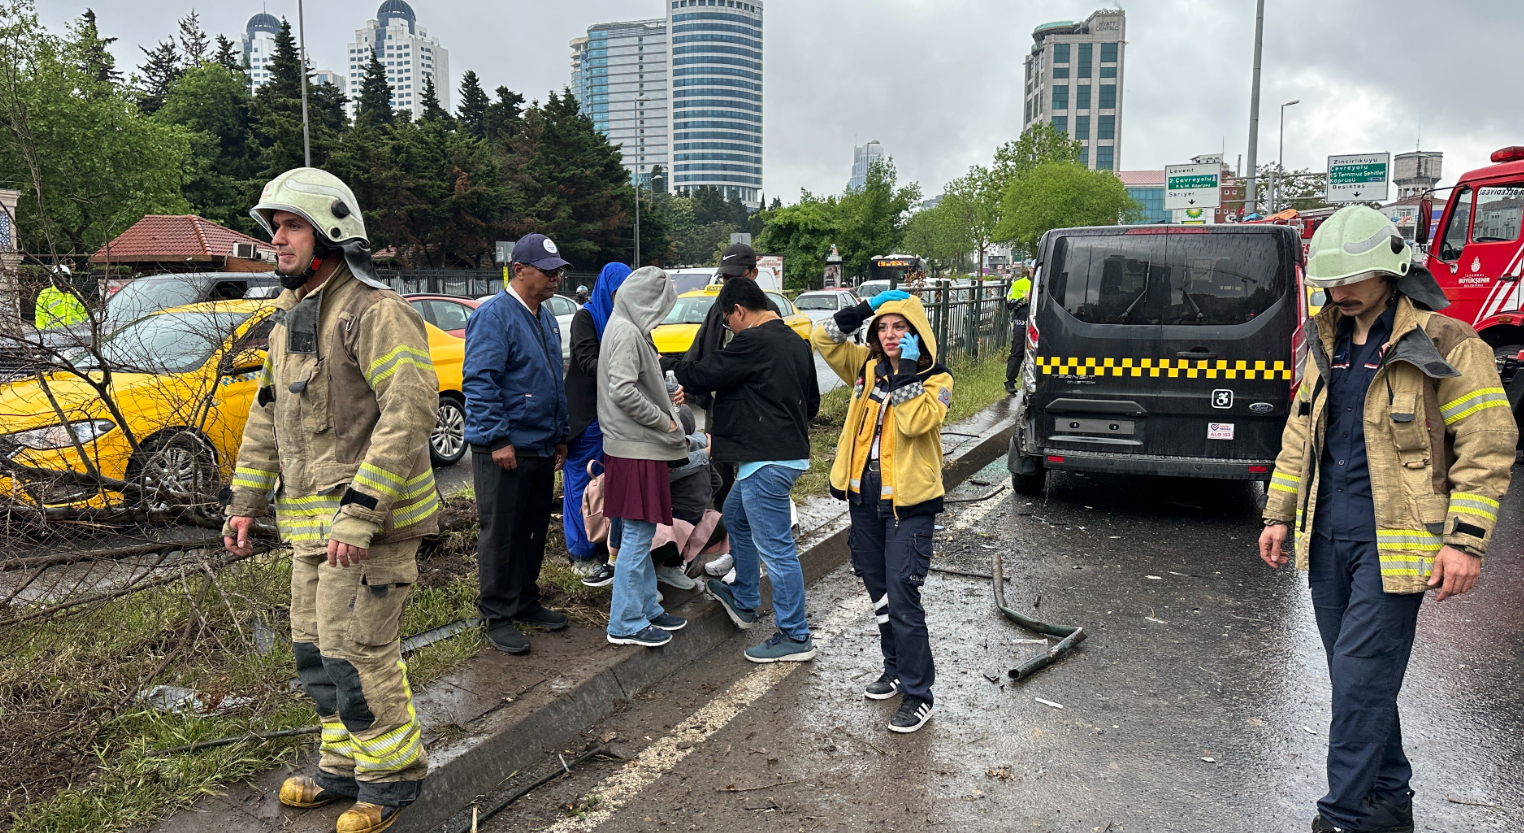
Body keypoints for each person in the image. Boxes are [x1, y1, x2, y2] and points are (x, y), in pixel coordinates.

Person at [1257, 205, 1515, 833]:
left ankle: (1342, 816)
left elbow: (1487, 445)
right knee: (1358, 680)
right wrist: (1277, 513)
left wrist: (1466, 542)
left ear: (1391, 271)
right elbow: (1300, 437)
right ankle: (1389, 799)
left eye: (1353, 279)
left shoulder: (1449, 344)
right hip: (1327, 539)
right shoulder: (1325, 344)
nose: (1339, 292)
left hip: (1395, 544)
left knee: (1357, 682)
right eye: (1331, 281)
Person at [223, 167, 438, 832]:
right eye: (274, 228)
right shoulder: (291, 320)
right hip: (311, 535)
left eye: (290, 226)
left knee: (358, 654)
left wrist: (361, 510)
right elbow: (267, 419)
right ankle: (341, 768)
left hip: (368, 530)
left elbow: (409, 410)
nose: (276, 241)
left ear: (331, 234)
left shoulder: (376, 313)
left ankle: (393, 779)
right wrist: (244, 500)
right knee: (315, 654)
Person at [813, 288, 953, 734]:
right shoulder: (867, 368)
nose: (891, 335)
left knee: (903, 593)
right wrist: (869, 307)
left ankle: (918, 693)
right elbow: (824, 338)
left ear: (916, 333)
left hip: (909, 506)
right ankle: (893, 668)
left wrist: (907, 369)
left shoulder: (937, 380)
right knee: (879, 593)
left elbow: (915, 423)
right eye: (884, 328)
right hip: (863, 500)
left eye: (900, 327)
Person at [665, 278, 820, 663]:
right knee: (735, 515)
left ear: (738, 310)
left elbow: (702, 374)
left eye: (726, 321)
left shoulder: (753, 340)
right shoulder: (795, 343)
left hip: (768, 460)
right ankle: (746, 597)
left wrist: (663, 366)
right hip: (780, 455)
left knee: (778, 550)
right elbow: (812, 403)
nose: (728, 329)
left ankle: (795, 634)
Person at [464, 234, 571, 655]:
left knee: (533, 528)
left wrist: (560, 433)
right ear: (519, 270)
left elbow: (552, 380)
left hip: (541, 444)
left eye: (557, 272)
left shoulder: (543, 316)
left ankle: (525, 599)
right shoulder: (494, 315)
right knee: (502, 532)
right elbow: (480, 381)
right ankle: (496, 612)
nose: (555, 279)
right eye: (547, 272)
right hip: (506, 447)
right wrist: (497, 439)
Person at [597, 265, 691, 647]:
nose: (661, 313)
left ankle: (646, 608)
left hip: (634, 445)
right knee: (637, 535)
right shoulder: (626, 332)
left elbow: (632, 385)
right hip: (636, 446)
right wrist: (664, 421)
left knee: (641, 532)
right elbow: (622, 390)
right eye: (660, 305)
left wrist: (665, 400)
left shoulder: (626, 326)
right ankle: (624, 622)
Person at [681, 242, 781, 507]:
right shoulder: (718, 306)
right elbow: (700, 345)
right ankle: (723, 529)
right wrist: (685, 384)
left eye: (736, 277)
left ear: (753, 274)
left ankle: (755, 525)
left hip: (752, 404)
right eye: (725, 277)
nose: (729, 283)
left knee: (753, 470)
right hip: (718, 401)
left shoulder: (768, 310)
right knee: (719, 468)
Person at [564, 263, 632, 588]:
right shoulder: (586, 318)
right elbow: (587, 361)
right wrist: (624, 367)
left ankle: (605, 548)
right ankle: (580, 555)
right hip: (586, 418)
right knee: (582, 485)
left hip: (615, 416)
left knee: (607, 487)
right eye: (618, 293)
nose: (623, 299)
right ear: (607, 290)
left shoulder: (627, 319)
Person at [1004, 268, 1032, 395]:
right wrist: (1024, 299)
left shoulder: (1046, 282)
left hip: (1039, 323)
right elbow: (1009, 304)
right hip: (1021, 323)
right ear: (1030, 269)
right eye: (1033, 267)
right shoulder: (1019, 284)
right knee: (1018, 351)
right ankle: (1010, 381)